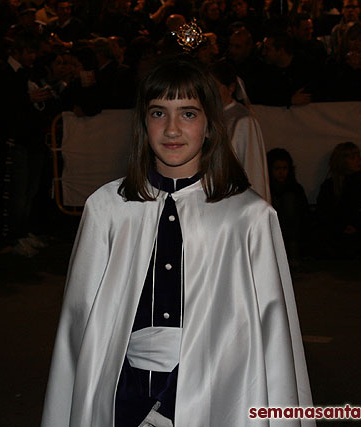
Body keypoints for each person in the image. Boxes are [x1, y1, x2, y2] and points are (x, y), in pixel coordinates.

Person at [41, 57, 313, 427]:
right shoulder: (107, 208)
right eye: (158, 113)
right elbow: (81, 326)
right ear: (143, 122)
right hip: (122, 394)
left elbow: (270, 333)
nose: (171, 129)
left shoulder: (248, 217)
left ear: (210, 125)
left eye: (187, 114)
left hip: (216, 393)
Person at [210, 59, 271, 202]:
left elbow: (253, 168)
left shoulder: (243, 120)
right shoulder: (206, 116)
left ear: (230, 88)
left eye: (215, 87)